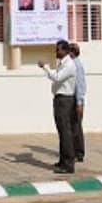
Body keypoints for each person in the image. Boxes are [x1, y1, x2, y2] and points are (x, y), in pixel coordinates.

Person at [38, 39, 77, 173]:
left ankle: (69, 164)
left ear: (65, 50)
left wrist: (45, 67)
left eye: (58, 50)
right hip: (60, 99)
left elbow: (57, 77)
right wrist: (48, 70)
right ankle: (63, 160)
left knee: (65, 132)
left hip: (65, 100)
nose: (56, 52)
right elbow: (54, 77)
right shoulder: (62, 63)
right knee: (61, 131)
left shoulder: (69, 65)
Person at [69, 42, 86, 163]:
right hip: (74, 98)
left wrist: (79, 102)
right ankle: (76, 152)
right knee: (74, 126)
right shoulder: (73, 64)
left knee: (76, 126)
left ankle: (78, 153)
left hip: (76, 99)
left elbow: (79, 84)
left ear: (72, 52)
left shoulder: (76, 65)